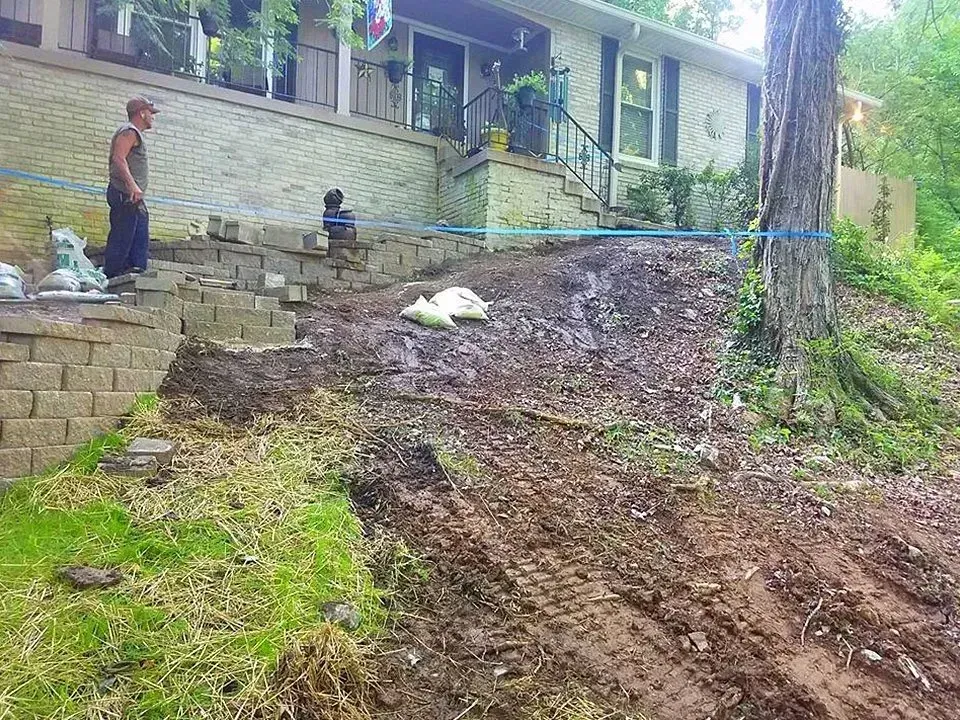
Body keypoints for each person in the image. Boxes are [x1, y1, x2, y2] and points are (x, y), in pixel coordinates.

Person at [103, 96, 159, 278]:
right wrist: (132, 185)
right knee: (122, 238)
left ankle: (136, 274)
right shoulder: (129, 132)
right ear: (141, 113)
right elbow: (118, 158)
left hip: (134, 198)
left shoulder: (134, 133)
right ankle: (112, 277)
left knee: (139, 237)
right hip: (124, 194)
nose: (153, 117)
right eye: (151, 113)